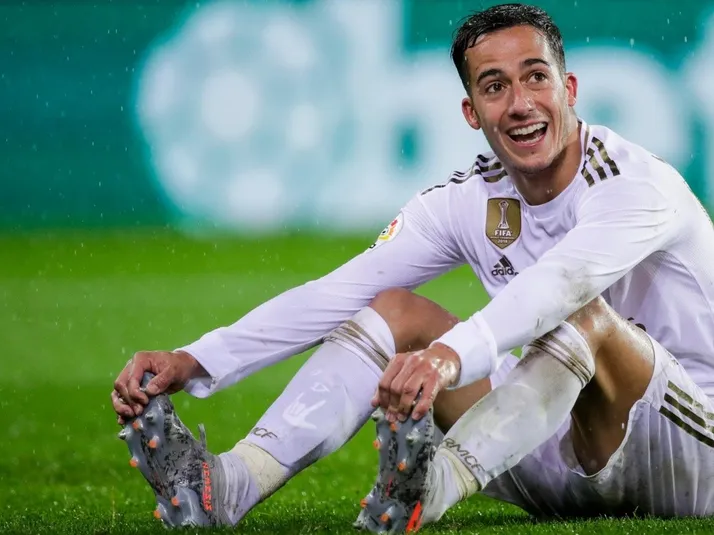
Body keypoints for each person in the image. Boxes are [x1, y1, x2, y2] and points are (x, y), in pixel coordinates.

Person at [111, 2, 714, 532]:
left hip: (690, 459)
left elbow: (558, 287)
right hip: (546, 449)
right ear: (471, 111)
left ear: (570, 88)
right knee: (395, 312)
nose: (521, 104)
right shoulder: (467, 200)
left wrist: (448, 357)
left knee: (581, 315)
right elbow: (337, 293)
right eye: (495, 86)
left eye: (536, 77)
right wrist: (197, 359)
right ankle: (231, 486)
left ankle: (428, 487)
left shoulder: (634, 183)